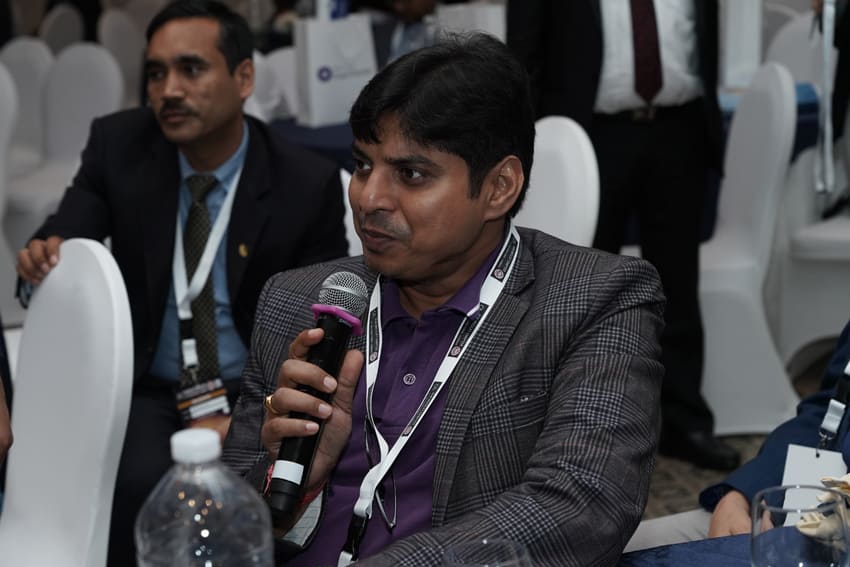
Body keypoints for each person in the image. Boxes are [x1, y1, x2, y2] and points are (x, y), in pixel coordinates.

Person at [222, 33, 665, 566]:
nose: (369, 198)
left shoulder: (593, 302)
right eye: (362, 165)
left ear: (499, 187)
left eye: (410, 174)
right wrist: (293, 485)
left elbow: (581, 506)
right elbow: (226, 527)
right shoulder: (298, 302)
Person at [15, 1, 348, 564]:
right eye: (155, 73)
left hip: (253, 389)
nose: (169, 90)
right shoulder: (119, 147)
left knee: (256, 505)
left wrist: (250, 413)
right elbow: (66, 236)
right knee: (125, 494)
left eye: (191, 69)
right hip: (151, 383)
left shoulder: (303, 181)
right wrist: (43, 259)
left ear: (244, 78)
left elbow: (321, 329)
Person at [506, 0, 739, 471]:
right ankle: (577, 429)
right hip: (591, 134)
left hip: (679, 129)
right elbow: (524, 55)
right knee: (580, 292)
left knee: (677, 284)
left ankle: (683, 421)